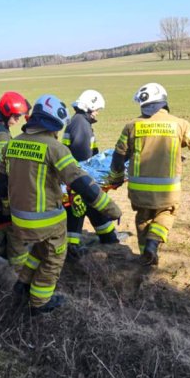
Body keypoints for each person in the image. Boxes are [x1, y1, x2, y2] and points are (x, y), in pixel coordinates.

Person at [0, 95, 121, 315]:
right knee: (54, 258)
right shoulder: (54, 148)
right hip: (47, 219)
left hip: (18, 218)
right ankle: (39, 303)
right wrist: (110, 209)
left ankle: (23, 284)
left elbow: (2, 181)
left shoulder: (12, 144)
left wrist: (7, 208)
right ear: (55, 123)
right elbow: (81, 182)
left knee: (40, 249)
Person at [107, 83, 190, 266]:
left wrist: (115, 178)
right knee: (166, 214)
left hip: (138, 191)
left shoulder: (131, 126)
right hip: (167, 189)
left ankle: (146, 257)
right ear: (163, 102)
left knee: (143, 218)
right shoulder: (180, 124)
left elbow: (118, 157)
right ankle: (152, 244)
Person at [62, 90, 125, 255]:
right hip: (78, 177)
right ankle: (72, 246)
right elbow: (84, 159)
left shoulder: (79, 122)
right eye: (96, 109)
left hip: (75, 176)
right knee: (78, 208)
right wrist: (90, 179)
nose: (97, 113)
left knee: (92, 205)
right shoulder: (81, 125)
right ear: (88, 107)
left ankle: (108, 236)